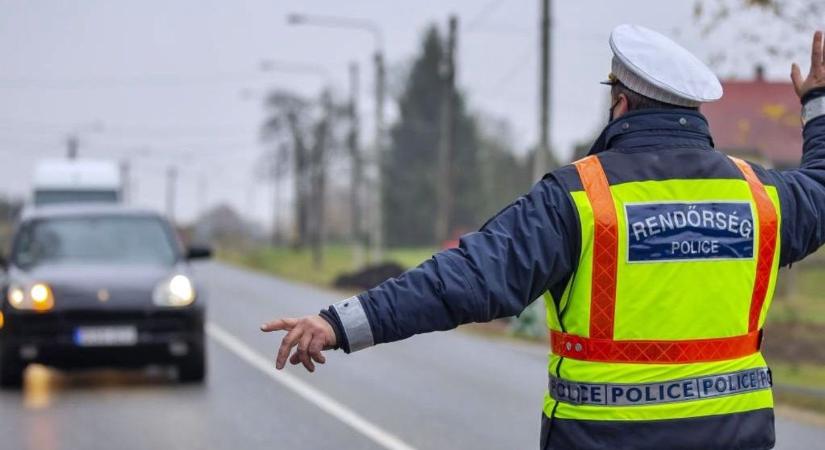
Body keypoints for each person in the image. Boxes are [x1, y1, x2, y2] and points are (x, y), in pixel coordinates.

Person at [260, 24, 825, 450]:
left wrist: (339, 324)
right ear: (693, 112)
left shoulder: (581, 197)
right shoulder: (760, 198)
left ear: (620, 103)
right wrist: (819, 107)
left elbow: (465, 278)